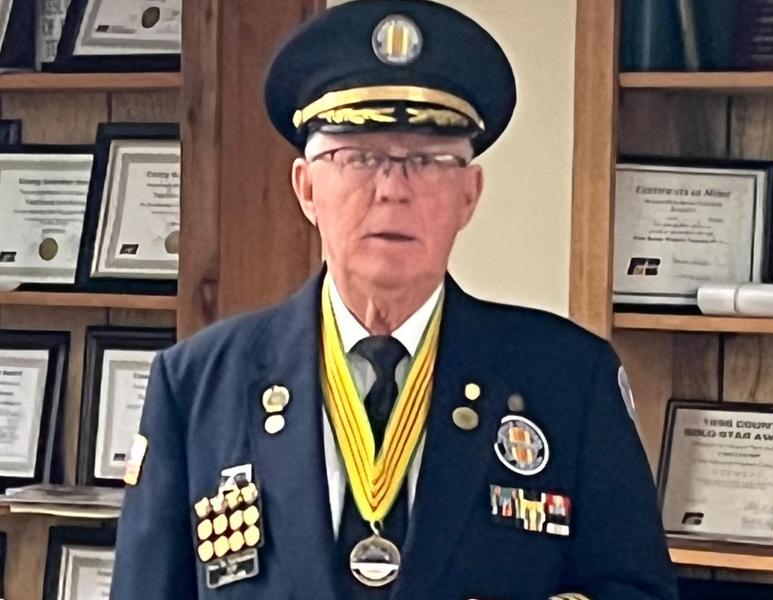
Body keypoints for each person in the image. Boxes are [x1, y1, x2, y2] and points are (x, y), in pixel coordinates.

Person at [110, 1, 679, 599]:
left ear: (469, 194)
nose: (393, 189)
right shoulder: (198, 384)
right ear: (306, 188)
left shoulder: (569, 380)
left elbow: (634, 590)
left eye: (428, 162)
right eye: (359, 158)